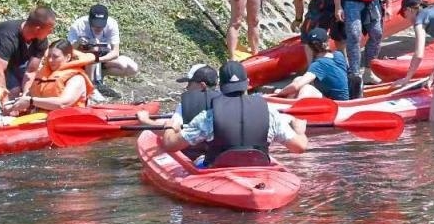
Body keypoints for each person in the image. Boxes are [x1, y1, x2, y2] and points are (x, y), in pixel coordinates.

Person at [163, 60, 309, 168]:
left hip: (218, 173)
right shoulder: (269, 112)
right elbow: (299, 147)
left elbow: (170, 144)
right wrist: (300, 131)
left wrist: (170, 127)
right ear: (248, 83)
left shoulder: (209, 116)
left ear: (221, 87)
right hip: (258, 171)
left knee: (199, 159)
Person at [139, 64, 219, 156]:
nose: (186, 87)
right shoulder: (224, 101)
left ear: (202, 85)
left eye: (190, 83)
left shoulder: (187, 104)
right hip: (218, 157)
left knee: (165, 122)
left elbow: (170, 135)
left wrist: (145, 121)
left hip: (194, 158)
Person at [0, 6, 57, 97]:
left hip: (16, 62)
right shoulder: (7, 35)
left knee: (34, 88)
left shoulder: (41, 40)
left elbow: (31, 71)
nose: (51, 32)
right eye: (50, 29)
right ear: (37, 29)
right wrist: (4, 98)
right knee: (14, 91)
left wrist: (26, 96)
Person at [67, 3, 138, 95]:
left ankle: (99, 75)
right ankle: (90, 86)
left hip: (102, 57)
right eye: (95, 24)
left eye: (101, 25)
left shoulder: (112, 24)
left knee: (131, 68)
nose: (98, 28)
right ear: (89, 19)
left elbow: (115, 52)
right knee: (94, 49)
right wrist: (79, 42)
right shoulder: (78, 25)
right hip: (83, 57)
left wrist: (97, 60)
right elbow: (68, 51)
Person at [15, 40, 96, 112]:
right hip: (41, 119)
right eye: (49, 56)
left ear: (68, 57)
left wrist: (31, 101)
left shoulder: (77, 78)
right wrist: (18, 103)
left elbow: (63, 104)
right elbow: (28, 97)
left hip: (67, 122)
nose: (50, 60)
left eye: (55, 57)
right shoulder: (43, 74)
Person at [274, 28, 351, 100]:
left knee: (307, 89)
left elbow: (295, 86)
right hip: (343, 97)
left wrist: (280, 92)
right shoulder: (338, 55)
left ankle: (293, 109)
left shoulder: (318, 65)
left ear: (310, 48)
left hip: (337, 103)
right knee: (298, 79)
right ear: (327, 42)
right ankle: (290, 102)